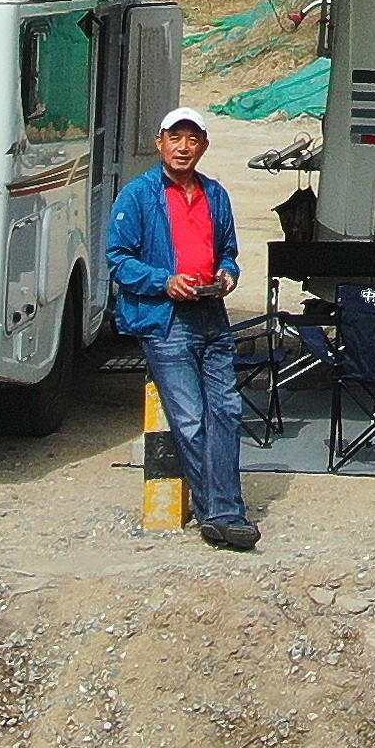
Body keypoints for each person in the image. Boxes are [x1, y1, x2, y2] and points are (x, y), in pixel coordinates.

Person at [105, 106, 257, 551]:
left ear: (204, 146)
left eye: (193, 139)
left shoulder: (215, 195)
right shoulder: (138, 195)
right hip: (166, 321)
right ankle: (219, 514)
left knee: (226, 413)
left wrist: (228, 275)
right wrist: (165, 282)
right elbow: (117, 259)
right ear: (160, 143)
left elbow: (228, 251)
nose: (183, 147)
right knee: (189, 420)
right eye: (176, 137)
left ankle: (226, 510)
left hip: (211, 315)